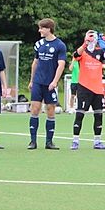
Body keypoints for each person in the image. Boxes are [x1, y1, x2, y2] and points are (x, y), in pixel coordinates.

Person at [28, 18, 67, 150]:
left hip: (50, 83)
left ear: (48, 29)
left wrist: (55, 81)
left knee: (50, 110)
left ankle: (49, 142)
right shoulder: (39, 44)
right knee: (35, 109)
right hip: (38, 82)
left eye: (41, 28)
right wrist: (32, 80)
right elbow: (35, 62)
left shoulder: (60, 45)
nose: (39, 30)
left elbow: (61, 65)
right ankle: (33, 141)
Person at [71, 30, 105, 150]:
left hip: (97, 89)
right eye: (90, 36)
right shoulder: (83, 51)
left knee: (98, 115)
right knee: (80, 114)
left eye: (93, 37)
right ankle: (75, 141)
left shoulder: (100, 51)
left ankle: (97, 141)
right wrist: (85, 43)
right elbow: (75, 55)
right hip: (84, 87)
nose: (92, 39)